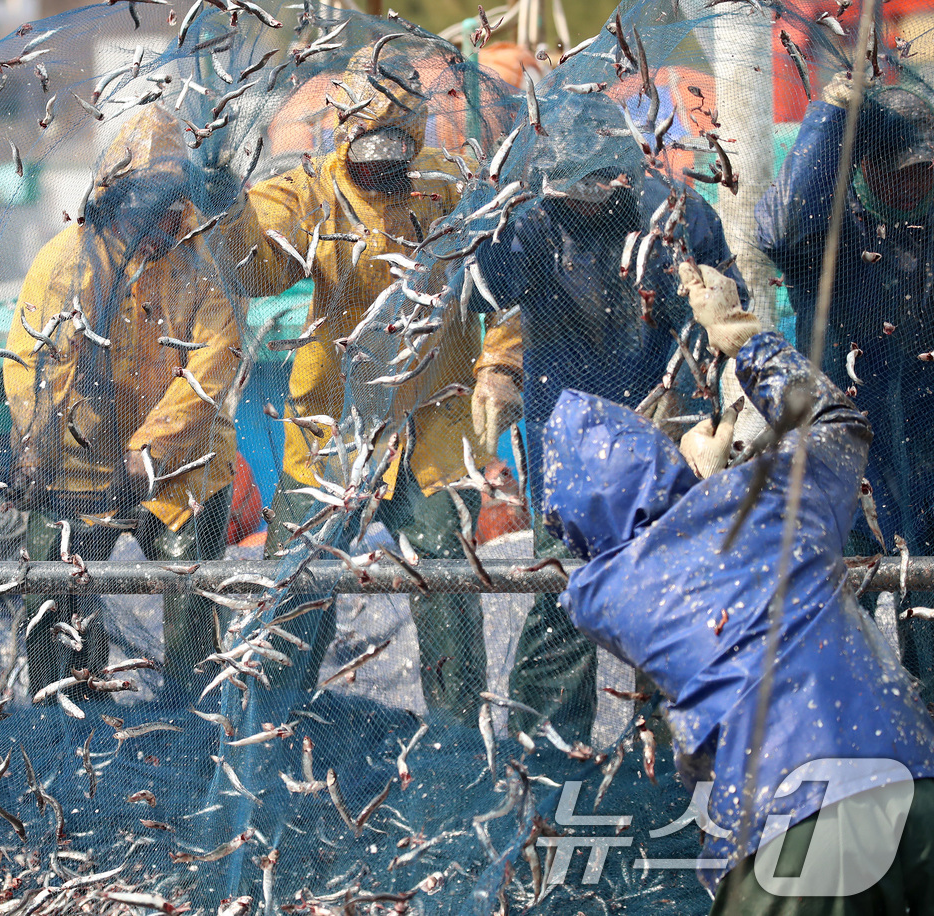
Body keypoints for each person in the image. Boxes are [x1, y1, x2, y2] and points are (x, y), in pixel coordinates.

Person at [541, 260, 934, 913]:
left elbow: (665, 557)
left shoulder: (601, 598)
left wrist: (709, 488)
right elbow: (835, 424)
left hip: (790, 836)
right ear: (660, 461)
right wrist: (740, 335)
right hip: (912, 783)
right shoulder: (760, 505)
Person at [226, 41, 522, 721]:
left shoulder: (452, 192)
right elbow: (255, 264)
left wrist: (502, 364)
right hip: (333, 431)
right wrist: (228, 213)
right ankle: (269, 743)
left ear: (414, 134)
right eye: (366, 150)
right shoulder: (308, 193)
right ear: (342, 132)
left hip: (435, 427)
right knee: (294, 596)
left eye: (392, 149)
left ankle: (455, 754)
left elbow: (509, 284)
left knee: (445, 582)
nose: (378, 167)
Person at [465, 94, 748, 739]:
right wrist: (500, 368)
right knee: (564, 591)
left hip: (663, 424)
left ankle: (676, 746)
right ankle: (544, 756)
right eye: (570, 186)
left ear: (624, 168)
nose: (587, 197)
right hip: (562, 427)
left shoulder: (676, 213)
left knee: (672, 589)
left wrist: (699, 392)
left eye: (600, 182)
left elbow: (722, 314)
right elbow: (487, 285)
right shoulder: (530, 222)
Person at [2, 106, 241, 701]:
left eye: (173, 198)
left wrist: (148, 452)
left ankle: (196, 732)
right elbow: (40, 364)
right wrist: (35, 450)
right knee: (57, 598)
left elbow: (214, 359)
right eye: (150, 199)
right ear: (119, 196)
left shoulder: (199, 261)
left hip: (182, 466)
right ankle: (70, 726)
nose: (165, 215)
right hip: (81, 462)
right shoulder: (68, 261)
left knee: (193, 600)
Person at [757, 78, 934, 704]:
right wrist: (830, 118)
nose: (910, 189)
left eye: (924, 173)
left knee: (929, 605)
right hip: (836, 446)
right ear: (862, 168)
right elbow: (776, 232)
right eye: (896, 174)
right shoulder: (824, 236)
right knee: (832, 606)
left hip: (923, 450)